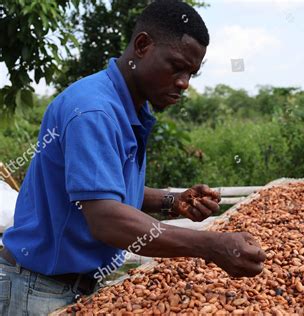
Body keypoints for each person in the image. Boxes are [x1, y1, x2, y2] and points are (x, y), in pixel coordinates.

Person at [0, 1, 266, 314]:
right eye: (176, 67)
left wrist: (172, 201)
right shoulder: (94, 110)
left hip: (68, 285)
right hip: (38, 289)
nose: (184, 83)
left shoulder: (128, 108)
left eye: (191, 73)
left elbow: (106, 193)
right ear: (142, 45)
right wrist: (211, 246)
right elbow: (107, 219)